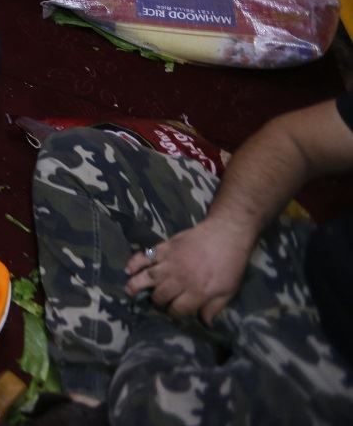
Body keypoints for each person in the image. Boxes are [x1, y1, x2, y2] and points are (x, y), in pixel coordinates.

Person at [29, 94, 353, 424]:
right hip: (303, 264)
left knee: (142, 409)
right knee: (76, 160)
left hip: (335, 371)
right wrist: (227, 231)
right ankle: (92, 388)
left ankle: (155, 342)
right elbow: (294, 141)